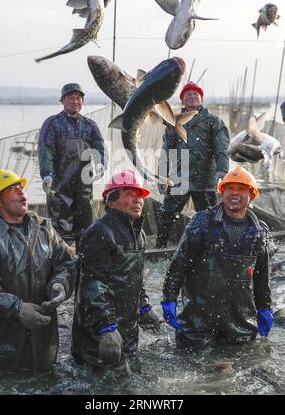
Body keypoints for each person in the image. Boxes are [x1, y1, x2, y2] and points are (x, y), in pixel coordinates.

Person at [161, 166, 273, 348]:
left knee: (241, 368)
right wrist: (169, 297)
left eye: (241, 189)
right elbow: (179, 264)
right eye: (230, 189)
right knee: (193, 366)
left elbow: (262, 275)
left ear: (252, 195)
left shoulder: (259, 232)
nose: (234, 194)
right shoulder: (202, 223)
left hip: (240, 323)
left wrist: (265, 307)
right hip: (199, 321)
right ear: (222, 193)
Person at [0, 169, 76, 371]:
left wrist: (60, 284)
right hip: (2, 351)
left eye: (21, 187)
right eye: (13, 189)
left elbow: (66, 263)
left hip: (44, 344)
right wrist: (17, 308)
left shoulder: (45, 229)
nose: (21, 191)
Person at [71, 169, 160, 371]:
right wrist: (106, 327)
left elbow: (135, 280)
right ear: (111, 201)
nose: (137, 199)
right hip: (100, 335)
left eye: (140, 196)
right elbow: (92, 285)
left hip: (126, 332)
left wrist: (144, 307)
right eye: (129, 194)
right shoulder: (99, 232)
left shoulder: (139, 235)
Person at [156, 81, 230, 248]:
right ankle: (159, 249)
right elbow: (167, 150)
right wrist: (162, 174)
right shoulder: (174, 121)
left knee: (211, 218)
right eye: (187, 93)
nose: (192, 95)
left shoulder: (213, 121)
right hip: (179, 177)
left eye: (196, 93)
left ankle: (211, 249)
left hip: (206, 179)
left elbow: (221, 148)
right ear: (183, 100)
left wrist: (222, 170)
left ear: (201, 99)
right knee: (166, 215)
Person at [38, 82, 108, 246]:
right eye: (71, 97)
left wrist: (101, 164)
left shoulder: (90, 125)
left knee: (85, 226)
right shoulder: (52, 123)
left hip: (84, 186)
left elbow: (100, 148)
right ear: (62, 100)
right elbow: (45, 150)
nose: (75, 101)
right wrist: (46, 174)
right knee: (61, 229)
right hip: (59, 186)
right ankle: (63, 263)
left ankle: (84, 263)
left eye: (79, 98)